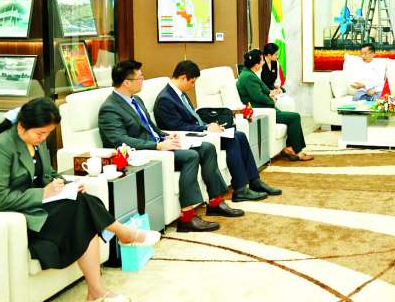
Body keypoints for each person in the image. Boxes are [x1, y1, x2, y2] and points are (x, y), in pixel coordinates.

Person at [0, 97, 160, 302]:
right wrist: (43, 194)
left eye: (48, 133)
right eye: (40, 133)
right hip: (5, 213)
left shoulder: (36, 142)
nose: (44, 138)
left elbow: (48, 174)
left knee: (82, 202)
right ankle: (123, 238)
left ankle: (99, 286)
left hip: (33, 205)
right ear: (21, 127)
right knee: (81, 208)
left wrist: (67, 184)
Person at [99, 60, 245, 232]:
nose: (143, 81)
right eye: (140, 78)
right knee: (191, 156)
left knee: (206, 147)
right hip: (144, 154)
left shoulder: (135, 99)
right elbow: (121, 141)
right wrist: (158, 145)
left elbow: (150, 127)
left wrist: (165, 135)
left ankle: (215, 202)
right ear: (126, 82)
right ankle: (187, 218)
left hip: (160, 144)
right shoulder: (110, 108)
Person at [153, 59, 282, 202]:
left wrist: (211, 125)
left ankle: (254, 181)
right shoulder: (165, 99)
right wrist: (206, 128)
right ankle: (240, 189)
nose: (193, 86)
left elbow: (193, 117)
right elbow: (177, 127)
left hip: (200, 132)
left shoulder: (179, 94)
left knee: (239, 135)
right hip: (187, 138)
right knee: (232, 139)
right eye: (192, 82)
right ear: (183, 78)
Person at [237, 49, 313, 162]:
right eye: (262, 60)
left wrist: (270, 93)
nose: (263, 62)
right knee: (294, 117)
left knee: (293, 117)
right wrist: (271, 100)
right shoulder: (248, 77)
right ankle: (296, 151)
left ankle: (291, 148)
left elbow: (262, 91)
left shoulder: (248, 73)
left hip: (266, 108)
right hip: (262, 110)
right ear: (256, 65)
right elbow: (258, 96)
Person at [261, 42, 296, 112]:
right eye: (276, 54)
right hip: (264, 90)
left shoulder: (276, 62)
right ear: (269, 55)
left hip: (272, 87)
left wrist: (278, 88)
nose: (277, 56)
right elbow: (259, 82)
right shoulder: (261, 63)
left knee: (284, 95)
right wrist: (270, 91)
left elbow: (277, 79)